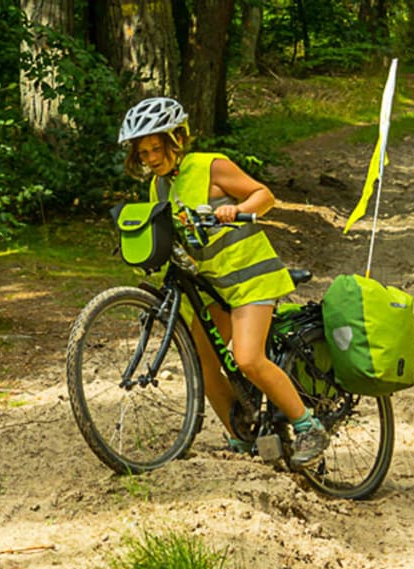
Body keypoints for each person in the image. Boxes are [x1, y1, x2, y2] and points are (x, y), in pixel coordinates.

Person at [118, 96, 329, 467]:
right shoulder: (159, 188)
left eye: (156, 148)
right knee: (203, 364)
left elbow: (265, 196)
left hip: (250, 278)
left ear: (176, 140)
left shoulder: (211, 166)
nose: (150, 158)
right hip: (212, 288)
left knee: (248, 358)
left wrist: (238, 210)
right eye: (143, 153)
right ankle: (242, 439)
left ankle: (308, 425)